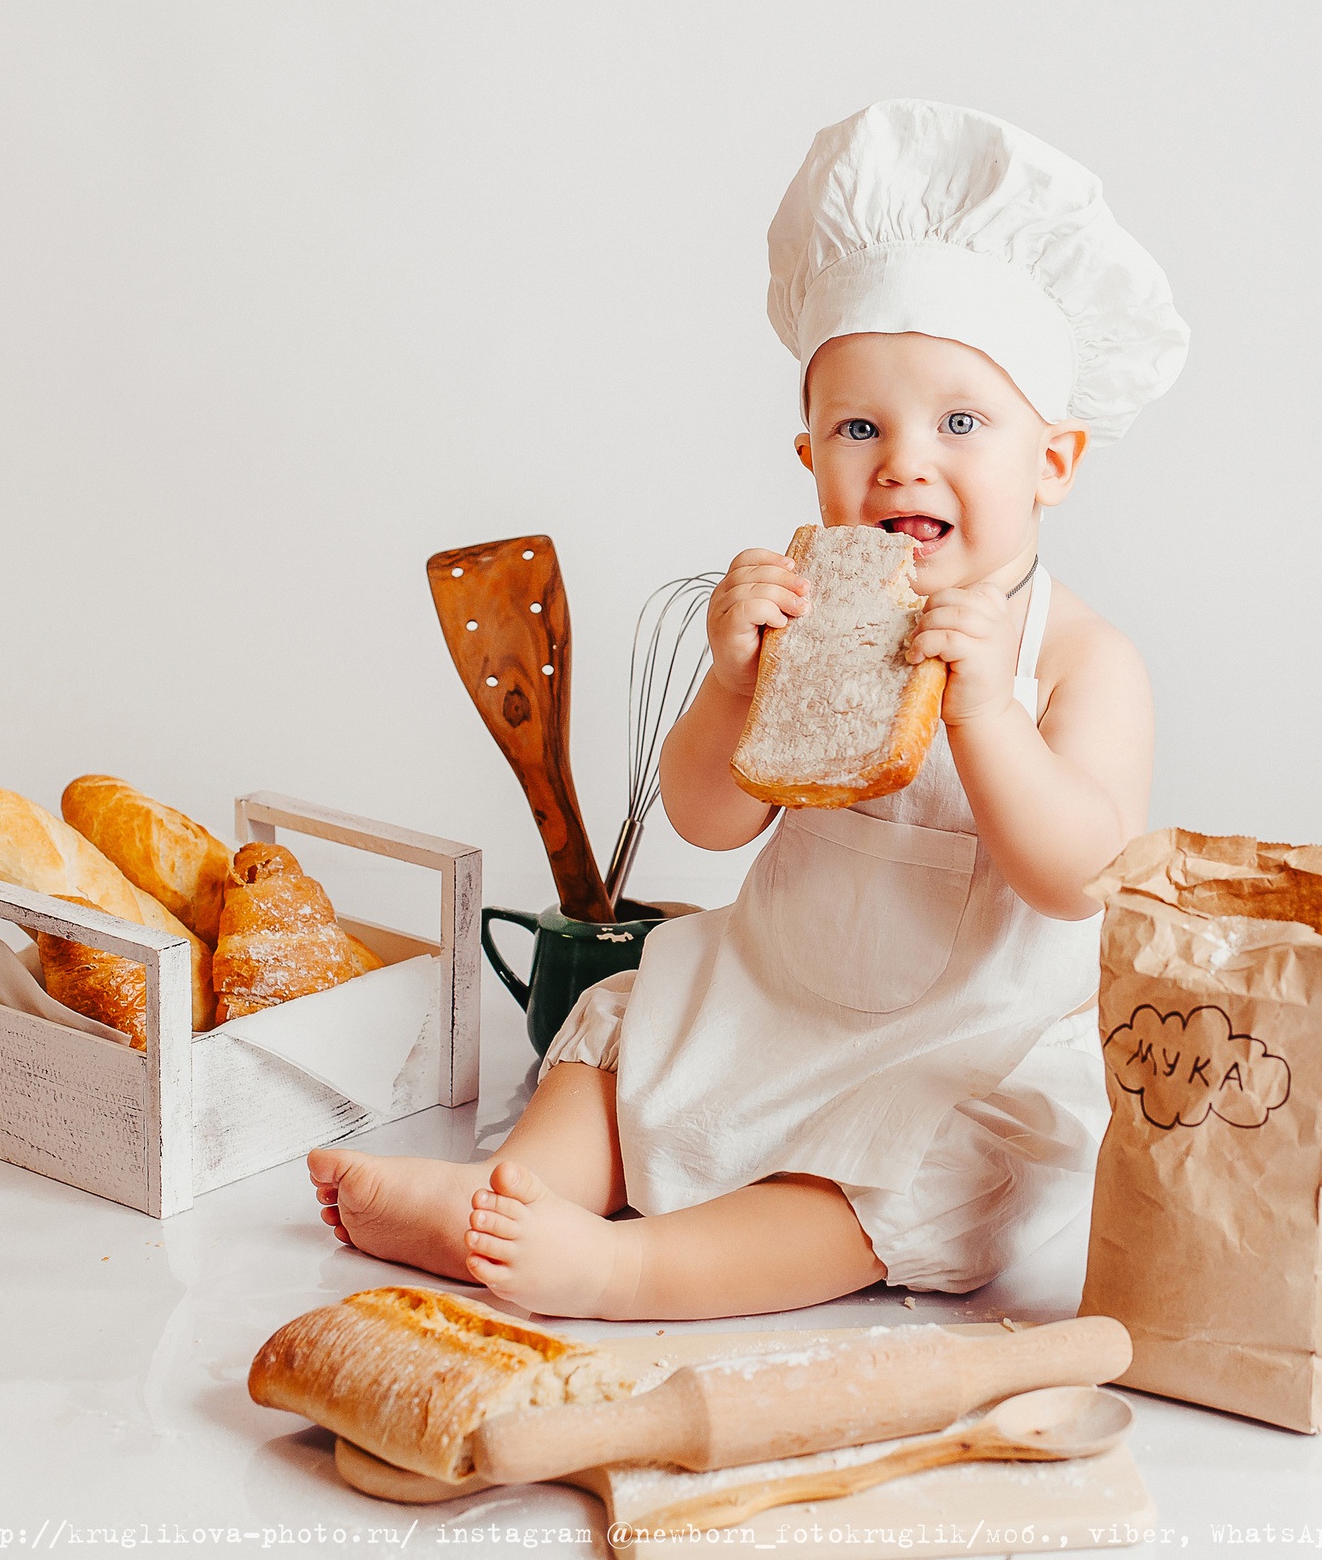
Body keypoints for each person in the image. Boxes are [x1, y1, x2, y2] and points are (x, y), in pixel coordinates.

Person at [305, 100, 1189, 1318]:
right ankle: (514, 1197)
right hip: (772, 985)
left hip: (950, 1043)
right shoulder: (811, 622)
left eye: (962, 424)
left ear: (1054, 462)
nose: (903, 462)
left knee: (898, 1178)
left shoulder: (1085, 661)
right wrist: (732, 678)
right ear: (808, 458)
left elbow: (1078, 876)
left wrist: (986, 712)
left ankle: (626, 1271)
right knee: (628, 1044)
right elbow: (709, 821)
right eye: (860, 427)